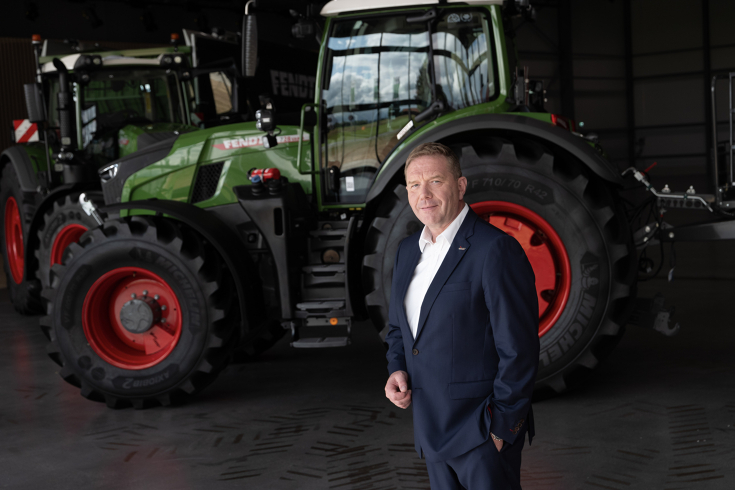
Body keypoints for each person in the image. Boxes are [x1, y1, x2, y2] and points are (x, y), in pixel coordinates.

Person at [384, 142, 539, 489]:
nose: (423, 194)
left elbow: (520, 348)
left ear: (460, 185)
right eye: (413, 185)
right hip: (430, 431)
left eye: (435, 181)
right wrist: (397, 367)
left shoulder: (495, 249)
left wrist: (502, 430)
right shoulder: (407, 251)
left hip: (480, 434)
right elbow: (399, 329)